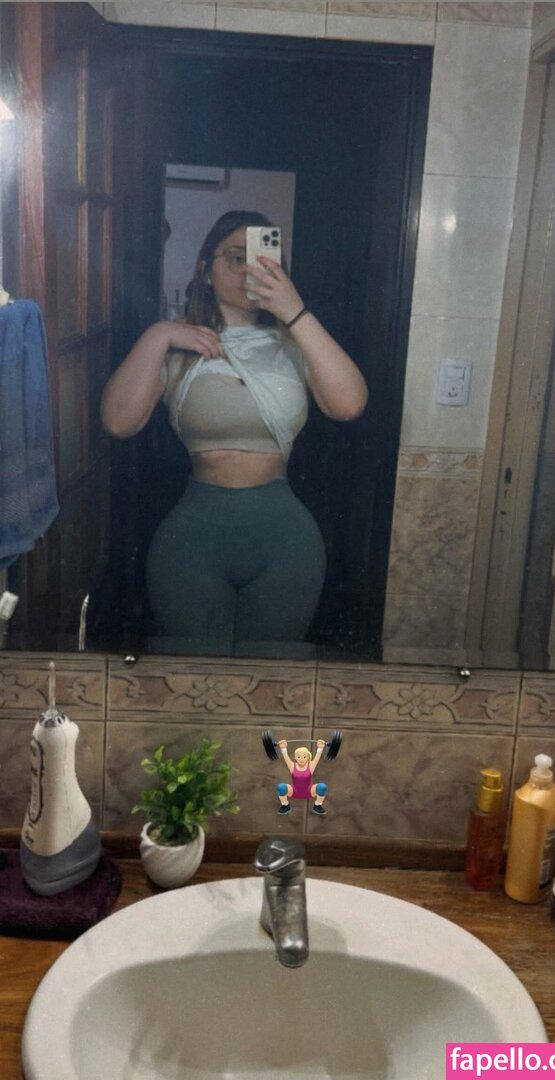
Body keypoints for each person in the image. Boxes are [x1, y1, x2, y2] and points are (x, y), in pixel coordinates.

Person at [101, 210, 368, 656]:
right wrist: (158, 335)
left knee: (270, 681)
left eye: (261, 260)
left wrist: (294, 312)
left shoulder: (294, 345)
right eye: (235, 257)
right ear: (206, 268)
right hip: (192, 543)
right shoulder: (179, 344)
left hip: (285, 543)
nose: (248, 271)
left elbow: (349, 404)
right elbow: (118, 421)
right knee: (192, 683)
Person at [276, 739, 328, 815]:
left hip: (309, 792)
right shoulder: (292, 766)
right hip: (294, 792)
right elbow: (286, 757)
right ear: (295, 758)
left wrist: (320, 748)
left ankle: (317, 805)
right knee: (281, 787)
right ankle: (285, 805)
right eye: (298, 757)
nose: (301, 759)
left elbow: (317, 757)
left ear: (308, 758)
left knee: (322, 787)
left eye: (304, 757)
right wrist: (283, 748)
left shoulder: (311, 766)